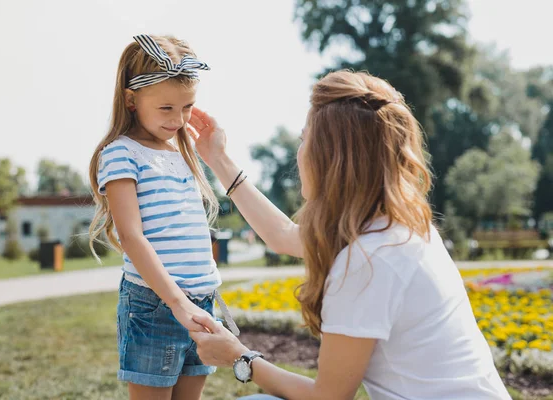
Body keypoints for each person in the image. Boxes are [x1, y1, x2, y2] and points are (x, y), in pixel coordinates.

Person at [186, 70, 511, 399]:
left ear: (330, 159)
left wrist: (240, 357)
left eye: (304, 139)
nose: (299, 153)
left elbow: (328, 397)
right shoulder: (400, 229)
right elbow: (283, 235)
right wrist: (218, 158)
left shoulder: (367, 262)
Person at [88, 34, 224, 400]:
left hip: (201, 301)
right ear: (131, 99)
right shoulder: (120, 154)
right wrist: (178, 303)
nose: (178, 120)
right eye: (166, 109)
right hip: (157, 305)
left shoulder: (182, 153)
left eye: (186, 108)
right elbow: (132, 237)